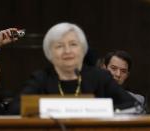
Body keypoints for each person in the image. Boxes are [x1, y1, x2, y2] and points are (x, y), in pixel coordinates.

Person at [9, 22, 138, 115]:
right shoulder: (41, 78)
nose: (67, 51)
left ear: (83, 49)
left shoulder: (100, 77)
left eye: (73, 44)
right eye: (59, 46)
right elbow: (14, 110)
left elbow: (132, 105)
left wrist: (99, 110)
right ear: (50, 53)